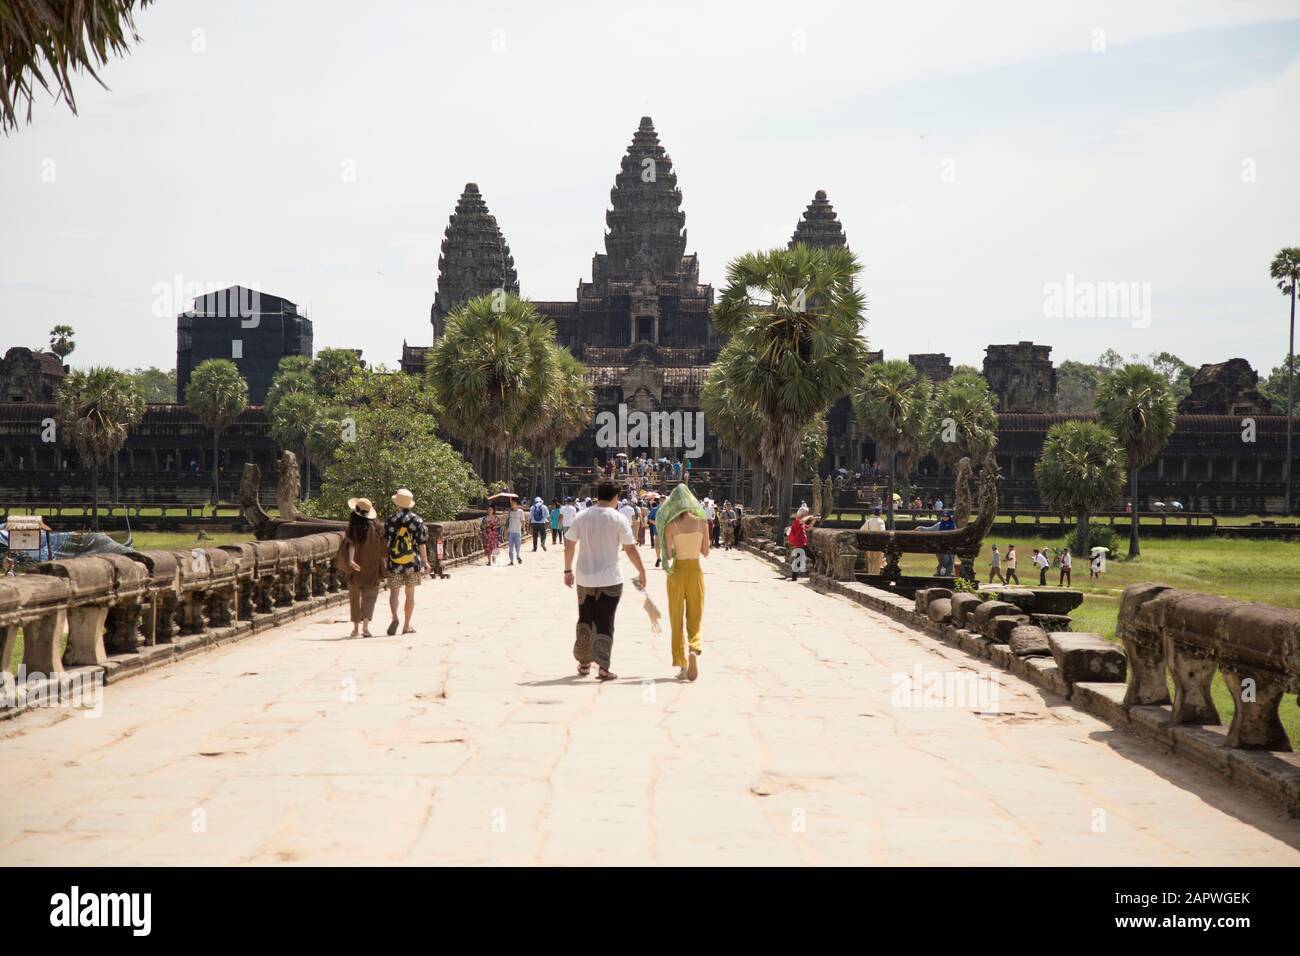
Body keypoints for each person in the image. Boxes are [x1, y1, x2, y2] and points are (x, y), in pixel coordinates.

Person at [563, 478, 648, 681]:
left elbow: (569, 545)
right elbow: (630, 548)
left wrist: (567, 570)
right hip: (611, 579)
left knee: (585, 618)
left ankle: (584, 663)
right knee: (605, 621)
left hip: (584, 577)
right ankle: (603, 667)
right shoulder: (618, 519)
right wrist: (642, 571)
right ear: (615, 497)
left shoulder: (581, 516)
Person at [657, 484, 710, 681]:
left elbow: (668, 555)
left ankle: (682, 665)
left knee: (676, 619)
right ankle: (694, 649)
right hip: (695, 572)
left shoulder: (671, 526)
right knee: (695, 617)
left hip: (677, 573)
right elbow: (706, 552)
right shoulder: (701, 522)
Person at [385, 488, 429, 636]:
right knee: (410, 594)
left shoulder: (391, 520)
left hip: (394, 561)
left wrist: (385, 561)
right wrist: (425, 562)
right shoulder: (417, 521)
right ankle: (406, 625)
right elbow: (422, 543)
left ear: (397, 503)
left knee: (394, 592)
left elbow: (386, 543)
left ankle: (395, 617)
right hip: (412, 561)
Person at [344, 497, 386, 638]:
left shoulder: (353, 529)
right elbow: (384, 550)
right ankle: (366, 628)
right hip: (372, 568)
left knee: (355, 598)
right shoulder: (377, 529)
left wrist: (350, 561)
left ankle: (356, 628)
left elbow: (352, 545)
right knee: (370, 597)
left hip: (356, 567)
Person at [786, 506, 818, 582]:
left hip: (801, 543)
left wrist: (814, 521)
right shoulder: (797, 521)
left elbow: (808, 528)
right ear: (803, 513)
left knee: (798, 560)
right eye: (806, 513)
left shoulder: (801, 522)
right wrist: (810, 516)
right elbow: (802, 521)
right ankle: (815, 573)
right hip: (800, 543)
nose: (807, 514)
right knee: (813, 558)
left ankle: (794, 577)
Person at [860, 505, 886, 574]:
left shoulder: (868, 521)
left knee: (870, 562)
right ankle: (874, 577)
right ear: (880, 513)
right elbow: (883, 533)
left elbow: (861, 530)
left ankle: (870, 576)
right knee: (877, 563)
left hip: (869, 544)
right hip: (878, 544)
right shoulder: (881, 521)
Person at [506, 497, 526, 565]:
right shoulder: (510, 511)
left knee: (517, 546)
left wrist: (524, 530)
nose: (512, 504)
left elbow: (523, 521)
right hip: (510, 532)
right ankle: (511, 561)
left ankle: (518, 555)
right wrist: (506, 530)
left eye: (513, 503)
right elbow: (507, 521)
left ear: (517, 504)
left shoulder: (521, 511)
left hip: (517, 532)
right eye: (511, 503)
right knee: (510, 548)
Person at [648, 495, 661, 564]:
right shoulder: (655, 510)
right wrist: (655, 522)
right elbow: (649, 519)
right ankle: (659, 558)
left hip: (667, 532)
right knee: (657, 547)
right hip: (657, 531)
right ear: (659, 501)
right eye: (661, 500)